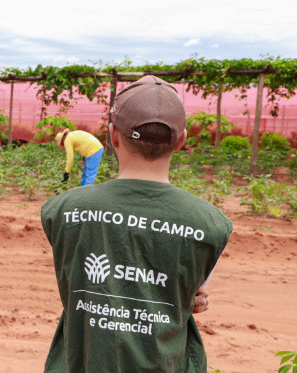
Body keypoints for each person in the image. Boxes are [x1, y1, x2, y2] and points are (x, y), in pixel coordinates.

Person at [41, 75, 232, 372]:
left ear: (112, 136)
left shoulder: (62, 210)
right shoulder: (210, 224)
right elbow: (187, 292)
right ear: (181, 141)